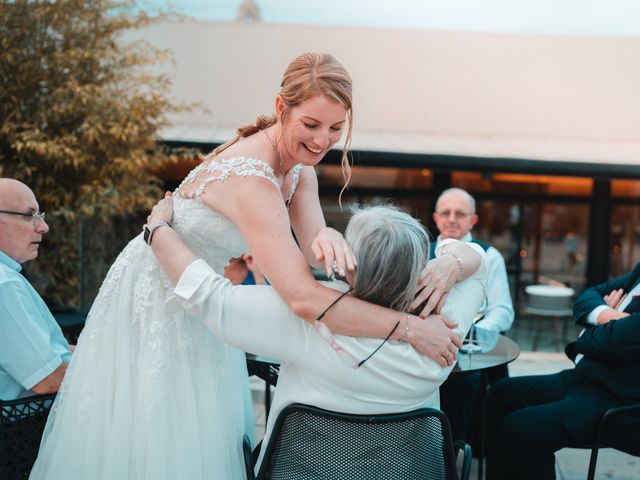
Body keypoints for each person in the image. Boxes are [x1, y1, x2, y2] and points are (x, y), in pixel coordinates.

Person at [31, 52, 461, 480]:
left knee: (202, 430)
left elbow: (315, 255)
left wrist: (347, 244)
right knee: (155, 431)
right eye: (310, 125)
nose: (322, 140)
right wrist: (408, 328)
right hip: (159, 290)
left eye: (335, 128)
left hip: (203, 292)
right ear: (281, 108)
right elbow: (303, 297)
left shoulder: (298, 171)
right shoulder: (253, 179)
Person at [147, 199, 488, 472]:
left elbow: (206, 294)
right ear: (419, 266)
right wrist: (449, 266)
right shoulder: (446, 324)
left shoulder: (308, 319)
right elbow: (479, 262)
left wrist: (158, 229)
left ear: (351, 264)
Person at [485, 264, 640, 480]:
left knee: (522, 429)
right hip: (591, 379)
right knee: (502, 393)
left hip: (621, 401)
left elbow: (607, 341)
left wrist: (594, 325)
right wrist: (607, 315)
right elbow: (588, 295)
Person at [433, 187, 514, 442]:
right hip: (427, 342)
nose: (452, 219)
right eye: (445, 213)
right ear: (436, 218)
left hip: (471, 350)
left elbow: (502, 311)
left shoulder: (490, 256)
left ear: (473, 220)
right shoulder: (419, 250)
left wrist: (474, 333)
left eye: (460, 213)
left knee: (466, 382)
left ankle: (454, 450)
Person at [0, 179, 72, 401]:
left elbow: (47, 349)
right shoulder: (4, 284)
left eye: (40, 215)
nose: (43, 227)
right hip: (26, 428)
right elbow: (49, 380)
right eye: (29, 215)